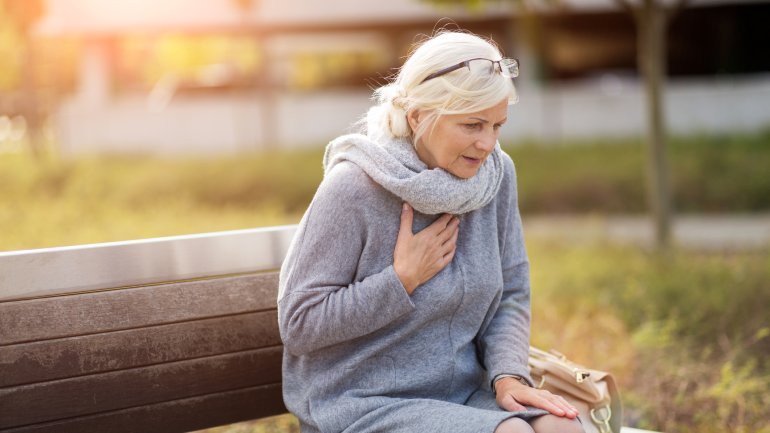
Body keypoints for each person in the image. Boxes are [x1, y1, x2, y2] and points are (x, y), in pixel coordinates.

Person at [277, 30, 585, 433]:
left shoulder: (495, 176)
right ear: (419, 115)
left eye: (497, 125)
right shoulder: (354, 187)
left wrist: (508, 374)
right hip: (365, 399)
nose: (488, 143)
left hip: (461, 392)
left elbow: (511, 289)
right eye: (472, 125)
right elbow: (299, 322)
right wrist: (400, 280)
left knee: (565, 428)